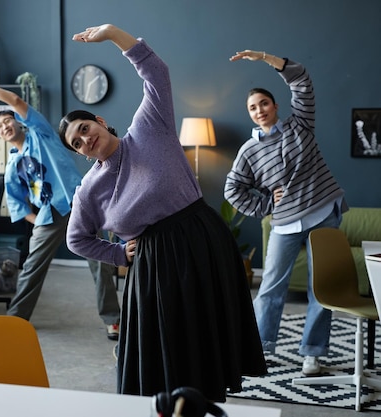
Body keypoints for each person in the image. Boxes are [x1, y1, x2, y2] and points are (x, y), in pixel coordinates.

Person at [58, 24, 266, 402]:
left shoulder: (149, 127)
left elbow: (156, 73)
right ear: (79, 153)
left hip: (202, 239)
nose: (86, 139)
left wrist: (113, 34)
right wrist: (118, 254)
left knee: (207, 333)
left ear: (100, 122)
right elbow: (76, 239)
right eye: (77, 143)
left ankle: (206, 402)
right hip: (154, 263)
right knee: (168, 346)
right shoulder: (89, 189)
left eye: (85, 128)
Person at [0, 76, 121, 339]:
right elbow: (18, 205)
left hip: (79, 204)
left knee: (101, 263)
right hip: (47, 215)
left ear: (18, 122)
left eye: (7, 120)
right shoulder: (11, 167)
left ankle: (113, 320)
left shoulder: (40, 134)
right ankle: (16, 320)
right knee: (32, 268)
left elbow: (16, 101)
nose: (4, 125)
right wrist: (40, 222)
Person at [225, 50, 347, 376]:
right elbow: (232, 189)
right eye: (252, 108)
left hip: (324, 213)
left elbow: (303, 83)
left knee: (322, 288)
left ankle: (313, 353)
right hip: (284, 223)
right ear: (249, 115)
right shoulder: (249, 151)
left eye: (264, 103)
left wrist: (266, 58)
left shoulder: (300, 124)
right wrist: (266, 205)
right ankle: (260, 349)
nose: (259, 110)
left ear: (275, 105)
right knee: (269, 290)